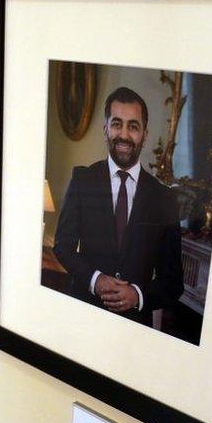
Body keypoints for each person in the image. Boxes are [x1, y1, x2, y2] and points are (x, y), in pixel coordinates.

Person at [53, 86, 183, 326]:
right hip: (81, 316)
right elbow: (63, 246)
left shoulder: (164, 198)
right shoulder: (83, 180)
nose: (124, 134)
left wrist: (136, 295)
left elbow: (173, 281)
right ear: (106, 130)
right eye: (117, 124)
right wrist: (96, 279)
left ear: (144, 134)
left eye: (133, 126)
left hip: (133, 328)